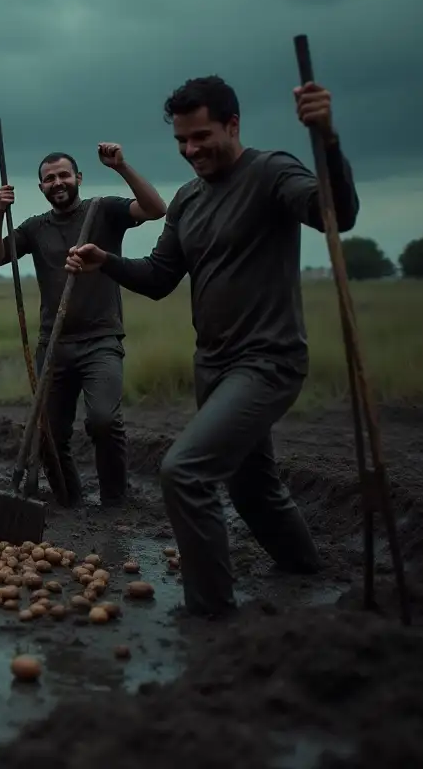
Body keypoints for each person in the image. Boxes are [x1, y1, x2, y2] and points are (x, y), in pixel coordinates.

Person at [65, 75, 358, 618]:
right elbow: (157, 277)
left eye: (201, 137)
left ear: (233, 124)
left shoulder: (271, 172)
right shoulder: (188, 199)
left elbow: (334, 212)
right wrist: (106, 261)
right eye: (182, 141)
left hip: (268, 361)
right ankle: (304, 570)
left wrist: (328, 139)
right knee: (252, 487)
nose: (191, 150)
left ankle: (210, 614)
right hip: (214, 364)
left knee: (185, 472)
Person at [0, 144, 166, 506]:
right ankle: (70, 502)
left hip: (101, 339)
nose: (58, 182)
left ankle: (114, 503)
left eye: (64, 175)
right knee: (48, 431)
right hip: (53, 343)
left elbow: (156, 209)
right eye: (49, 179)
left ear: (78, 178)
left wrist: (122, 166)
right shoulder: (35, 228)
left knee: (102, 421)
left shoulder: (105, 209)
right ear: (41, 188)